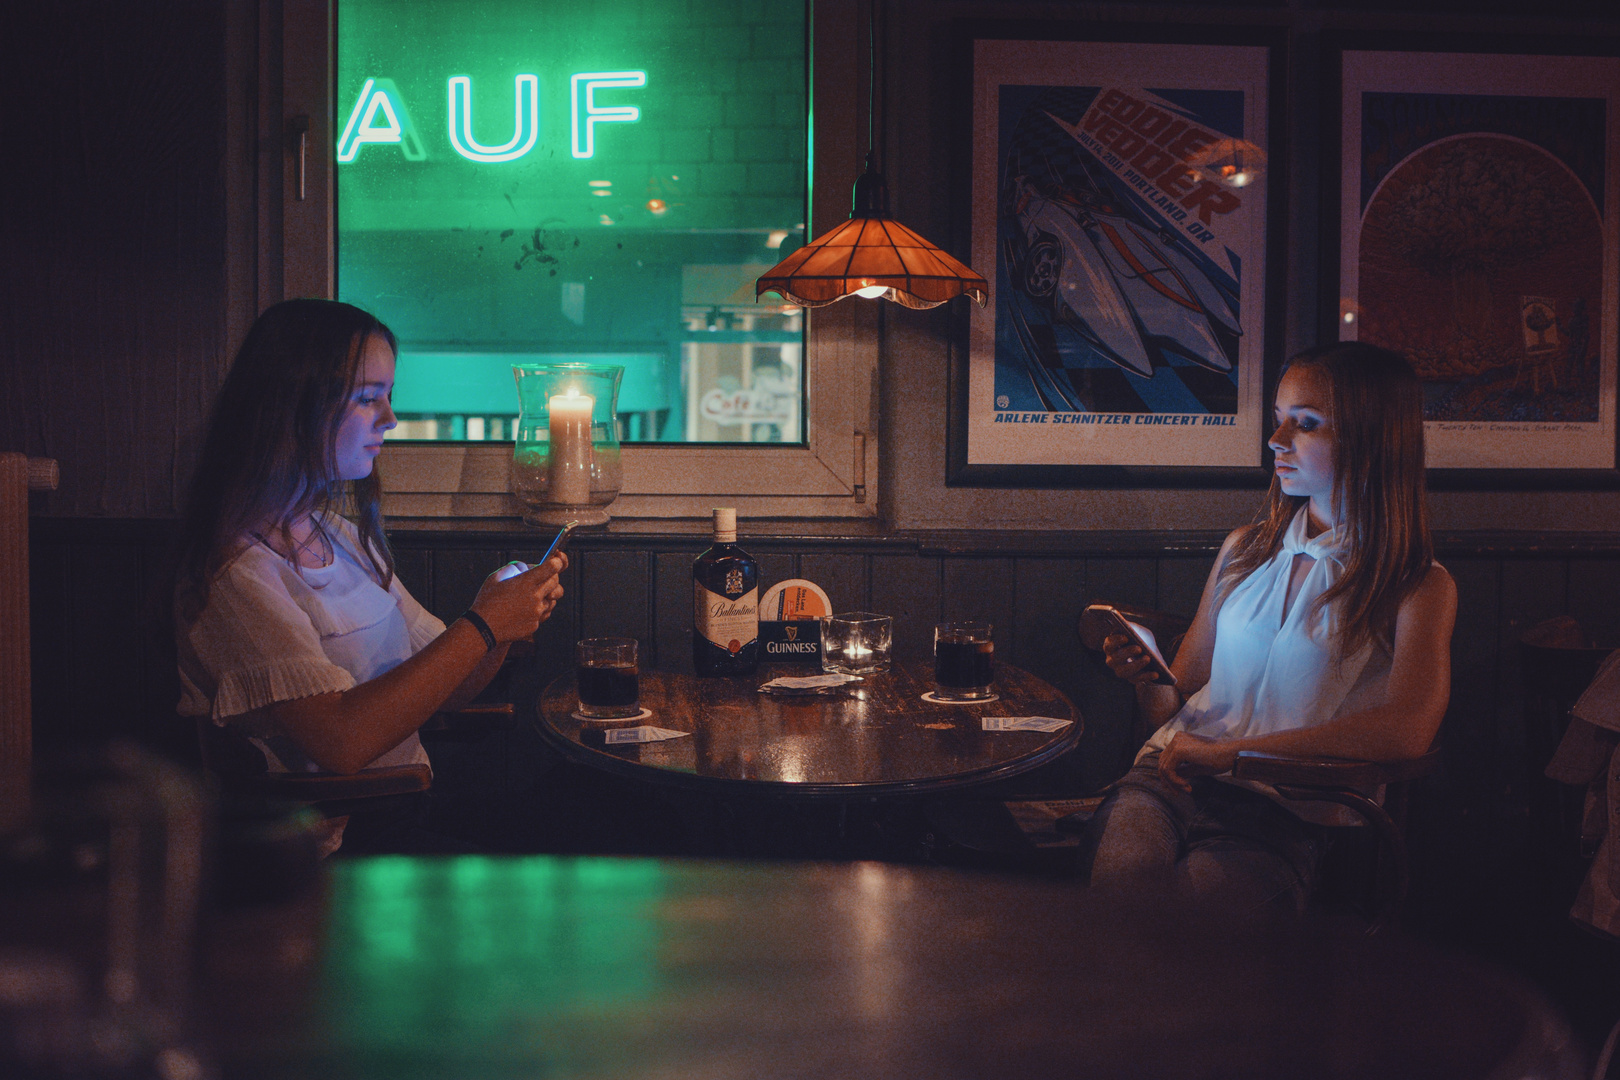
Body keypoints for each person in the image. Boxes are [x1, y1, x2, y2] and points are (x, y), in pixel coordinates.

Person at [172, 299, 566, 853]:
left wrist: (502, 623)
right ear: (292, 406)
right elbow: (340, 741)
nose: (390, 419)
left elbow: (450, 691)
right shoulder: (235, 575)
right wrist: (484, 624)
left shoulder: (335, 535)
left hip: (401, 813)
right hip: (335, 850)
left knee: (592, 803)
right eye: (366, 398)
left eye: (389, 395)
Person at [1086, 342, 1457, 913]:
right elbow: (1174, 701)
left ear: (1373, 438)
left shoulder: (1416, 585)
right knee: (1122, 901)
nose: (1277, 441)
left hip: (1287, 810)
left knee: (1180, 933)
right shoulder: (1245, 550)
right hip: (1170, 777)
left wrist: (1235, 753)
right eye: (1278, 419)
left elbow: (1408, 730)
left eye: (1305, 424)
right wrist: (1145, 676)